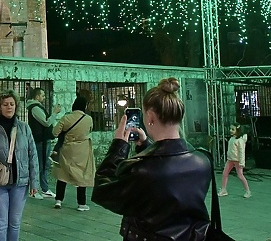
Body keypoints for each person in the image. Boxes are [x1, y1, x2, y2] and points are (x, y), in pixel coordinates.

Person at [91, 77, 211, 241]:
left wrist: (119, 145)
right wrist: (145, 146)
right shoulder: (203, 161)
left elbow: (102, 190)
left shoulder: (143, 170)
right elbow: (165, 186)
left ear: (150, 117)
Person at [0, 89, 40, 241]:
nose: (9, 107)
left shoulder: (24, 128)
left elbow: (33, 155)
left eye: (12, 104)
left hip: (20, 183)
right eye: (5, 104)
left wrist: (34, 182)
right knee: (0, 224)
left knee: (15, 224)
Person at [52, 96, 95, 211]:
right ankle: (81, 204)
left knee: (63, 175)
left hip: (67, 149)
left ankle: (59, 200)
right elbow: (89, 130)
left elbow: (55, 133)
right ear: (84, 106)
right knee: (82, 175)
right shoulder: (88, 119)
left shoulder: (66, 118)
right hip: (82, 150)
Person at [25, 87, 62, 199]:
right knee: (39, 165)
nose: (44, 97)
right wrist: (54, 113)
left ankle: (43, 188)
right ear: (37, 96)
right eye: (42, 95)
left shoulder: (37, 107)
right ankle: (36, 189)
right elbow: (46, 123)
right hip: (40, 141)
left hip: (42, 140)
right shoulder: (35, 108)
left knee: (43, 165)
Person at [218, 123, 251, 198]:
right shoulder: (232, 138)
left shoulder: (240, 140)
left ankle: (248, 191)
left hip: (237, 160)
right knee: (225, 174)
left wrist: (242, 162)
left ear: (237, 130)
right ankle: (223, 190)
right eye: (231, 129)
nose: (231, 130)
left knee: (240, 175)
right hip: (230, 160)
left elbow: (241, 152)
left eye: (233, 129)